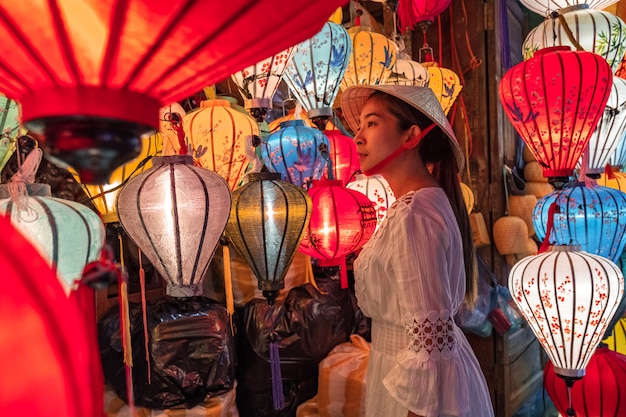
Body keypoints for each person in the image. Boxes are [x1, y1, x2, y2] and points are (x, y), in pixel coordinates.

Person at [340, 85, 494, 417]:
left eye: (372, 123)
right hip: (405, 376)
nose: (358, 138)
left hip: (418, 396)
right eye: (360, 126)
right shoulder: (419, 203)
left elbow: (430, 347)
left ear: (410, 136)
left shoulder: (415, 215)